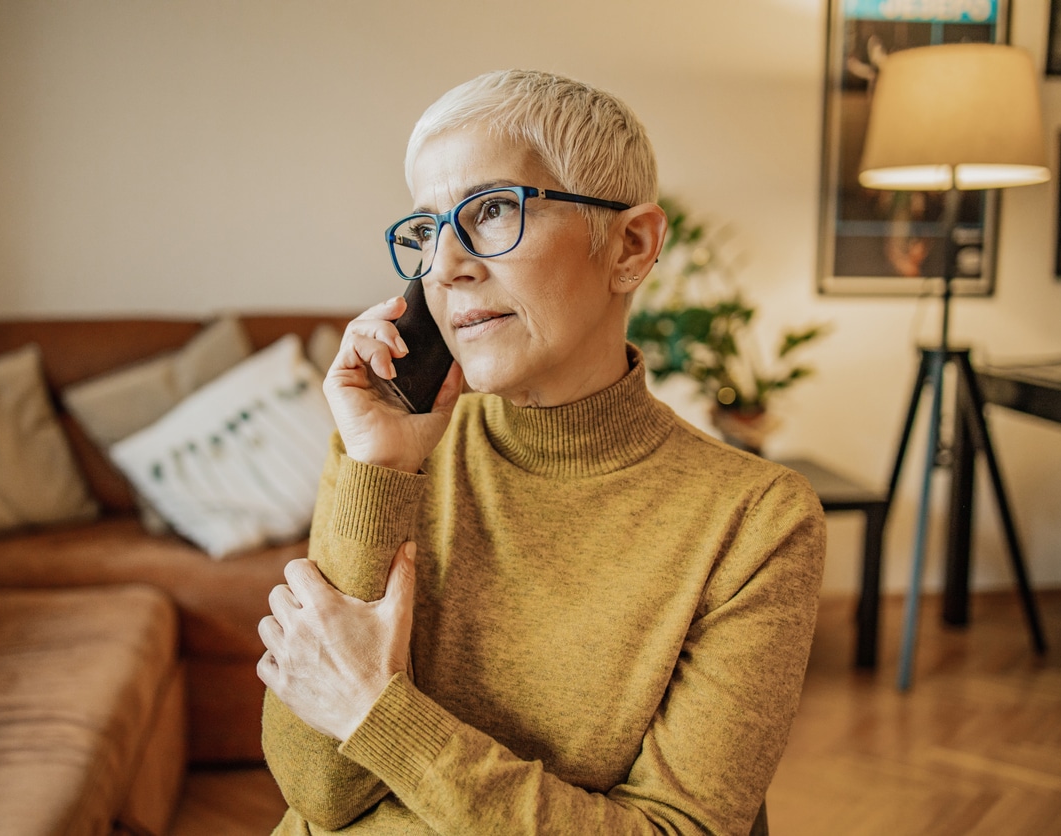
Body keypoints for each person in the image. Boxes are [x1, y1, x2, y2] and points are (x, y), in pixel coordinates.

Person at [257, 69, 825, 835]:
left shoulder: (757, 521)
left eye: (491, 210)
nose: (445, 266)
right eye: (427, 229)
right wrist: (379, 469)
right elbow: (319, 794)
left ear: (631, 245)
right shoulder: (386, 453)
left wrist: (376, 714)